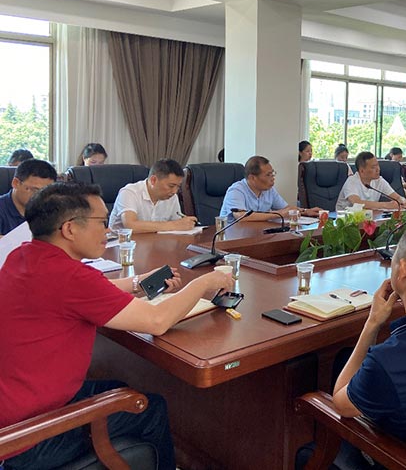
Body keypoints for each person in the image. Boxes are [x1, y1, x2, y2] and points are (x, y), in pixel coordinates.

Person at [0, 182, 233, 470]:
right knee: (150, 407)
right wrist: (205, 282)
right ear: (70, 229)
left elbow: (87, 290)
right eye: (101, 222)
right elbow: (157, 321)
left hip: (13, 410)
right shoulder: (70, 277)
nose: (108, 230)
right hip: (28, 438)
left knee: (119, 388)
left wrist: (139, 283)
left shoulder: (24, 255)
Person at [298, 220, 406, 467]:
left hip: (391, 457)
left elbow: (340, 403)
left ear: (403, 270)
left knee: (306, 449)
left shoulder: (388, 361)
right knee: (344, 357)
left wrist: (372, 324)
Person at [220, 155, 321, 221]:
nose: (273, 178)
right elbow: (240, 216)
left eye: (273, 174)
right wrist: (278, 214)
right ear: (252, 178)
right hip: (232, 237)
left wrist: (305, 211)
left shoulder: (269, 190)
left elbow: (286, 208)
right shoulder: (236, 190)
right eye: (268, 175)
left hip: (257, 233)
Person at [108, 158, 197, 233]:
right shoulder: (129, 192)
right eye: (171, 186)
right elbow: (131, 226)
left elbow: (177, 227)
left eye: (178, 186)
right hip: (122, 245)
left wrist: (184, 224)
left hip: (155, 243)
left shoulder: (172, 197)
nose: (175, 191)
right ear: (153, 180)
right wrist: (174, 225)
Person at [336, 151, 406, 211]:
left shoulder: (379, 180)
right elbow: (357, 203)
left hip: (369, 217)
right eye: (373, 167)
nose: (378, 169)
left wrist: (403, 201)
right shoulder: (352, 181)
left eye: (377, 165)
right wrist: (386, 205)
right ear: (362, 171)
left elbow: (397, 197)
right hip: (345, 220)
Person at [0, 158, 57, 235]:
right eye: (35, 190)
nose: (41, 196)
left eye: (46, 192)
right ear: (16, 183)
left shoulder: (49, 210)